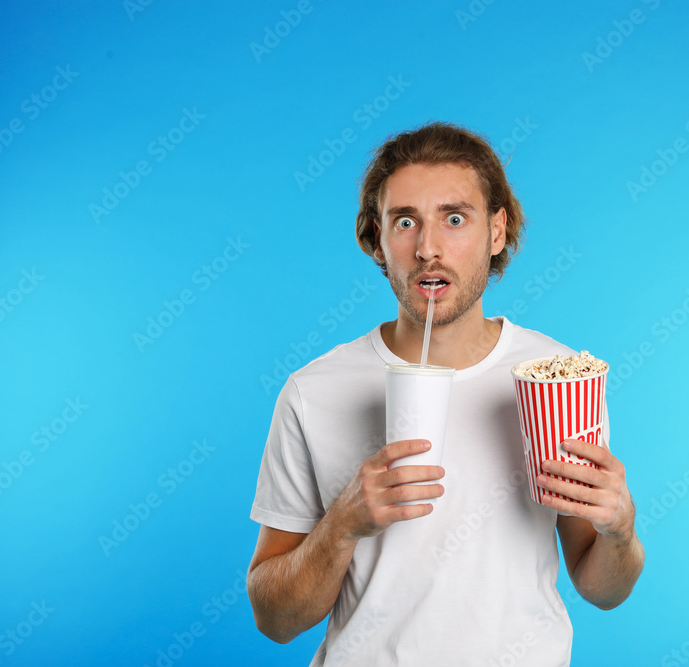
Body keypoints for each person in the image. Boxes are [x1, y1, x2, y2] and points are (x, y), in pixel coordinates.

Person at [248, 121, 644, 665]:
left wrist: (620, 530)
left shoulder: (558, 376)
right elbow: (273, 619)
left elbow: (603, 589)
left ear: (497, 231)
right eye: (404, 221)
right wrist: (341, 526)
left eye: (454, 219)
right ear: (378, 241)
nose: (428, 248)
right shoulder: (314, 391)